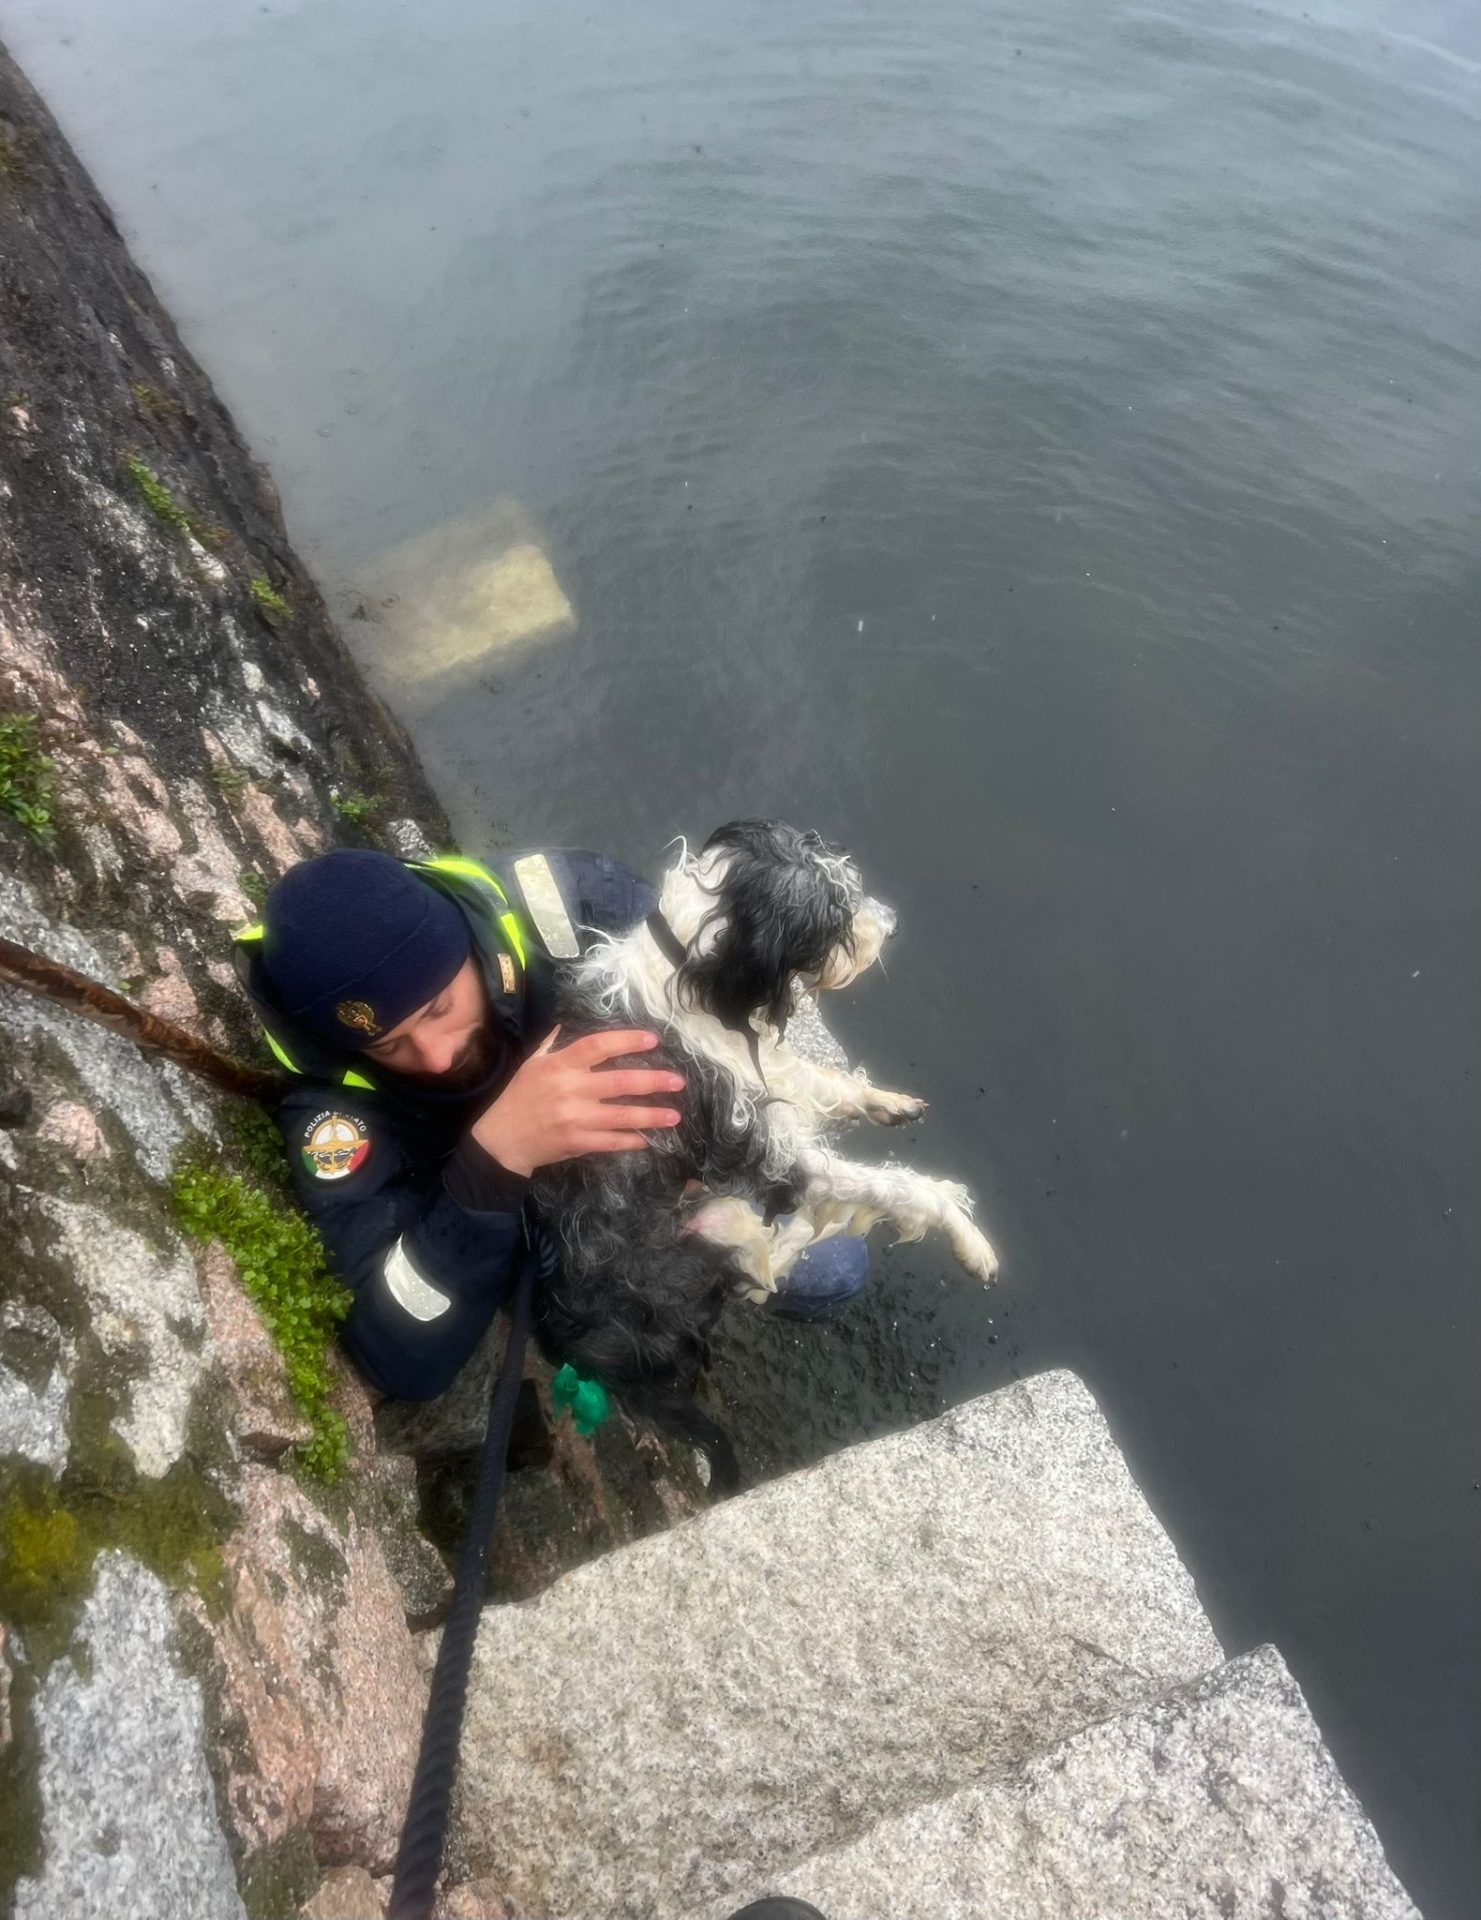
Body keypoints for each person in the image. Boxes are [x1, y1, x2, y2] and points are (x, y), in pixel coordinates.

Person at [234, 845, 869, 1401]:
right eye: (389, 1047)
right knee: (616, 1343)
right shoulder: (335, 1115)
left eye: (439, 1008)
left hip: (670, 1160)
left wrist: (698, 1154)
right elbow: (398, 1358)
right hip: (545, 1240)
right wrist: (491, 1161)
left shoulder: (569, 905)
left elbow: (722, 1022)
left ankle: (717, 1290)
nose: (434, 1056)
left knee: (836, 1264)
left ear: (468, 948)